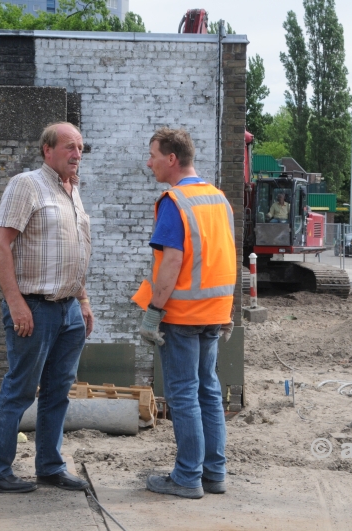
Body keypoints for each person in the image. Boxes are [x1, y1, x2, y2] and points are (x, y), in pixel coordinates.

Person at [0, 122, 94, 494]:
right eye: (69, 147)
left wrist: (83, 300)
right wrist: (15, 303)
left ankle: (50, 466)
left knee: (59, 391)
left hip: (68, 310)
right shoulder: (26, 185)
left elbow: (75, 250)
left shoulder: (72, 191)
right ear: (47, 150)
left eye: (80, 148)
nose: (77, 154)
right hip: (34, 307)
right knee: (21, 389)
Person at [132, 127, 236, 499]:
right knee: (208, 391)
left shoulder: (175, 202)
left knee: (183, 394)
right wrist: (228, 310)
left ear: (172, 159)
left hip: (181, 315)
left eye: (154, 155)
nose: (150, 162)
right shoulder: (218, 199)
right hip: (214, 313)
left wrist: (153, 312)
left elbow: (171, 263)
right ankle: (214, 473)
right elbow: (225, 257)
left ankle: (187, 477)